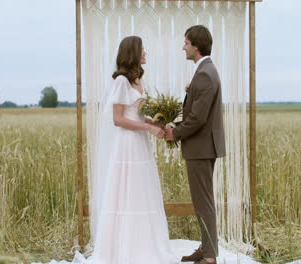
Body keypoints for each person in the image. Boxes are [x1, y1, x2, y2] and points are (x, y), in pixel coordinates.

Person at [88, 35, 175, 264]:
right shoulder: (121, 82)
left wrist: (157, 123)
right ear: (133, 53)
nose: (145, 52)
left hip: (139, 143)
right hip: (126, 144)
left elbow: (136, 114)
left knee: (141, 191)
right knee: (126, 192)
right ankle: (125, 248)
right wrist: (147, 127)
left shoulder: (138, 81)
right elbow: (118, 119)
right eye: (142, 49)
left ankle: (144, 244)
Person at [164, 25, 226, 264]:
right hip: (203, 146)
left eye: (186, 43)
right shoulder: (206, 70)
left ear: (196, 46)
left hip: (201, 147)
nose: (183, 47)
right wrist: (176, 126)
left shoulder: (204, 74)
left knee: (203, 202)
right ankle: (207, 247)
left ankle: (209, 256)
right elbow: (197, 114)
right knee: (203, 200)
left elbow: (198, 118)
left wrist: (175, 133)